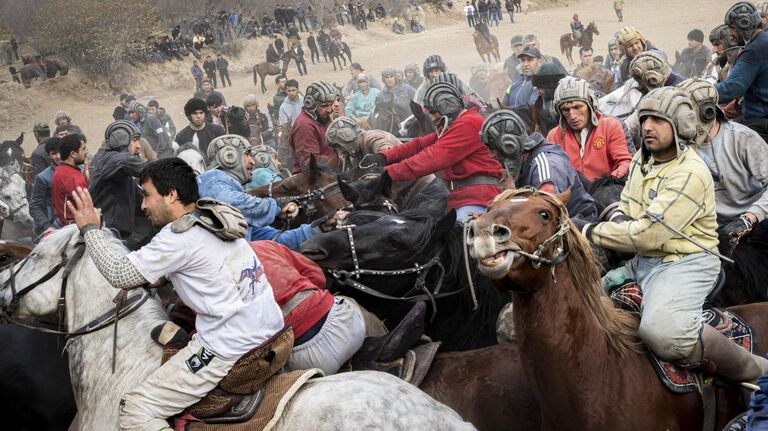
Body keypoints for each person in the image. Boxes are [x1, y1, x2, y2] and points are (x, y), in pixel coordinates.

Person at [64, 158, 285, 431]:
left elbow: (119, 273)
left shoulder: (178, 237)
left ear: (171, 195)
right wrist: (154, 280)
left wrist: (90, 230)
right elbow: (204, 263)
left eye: (147, 195)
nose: (142, 205)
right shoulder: (213, 217)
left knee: (136, 409)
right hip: (271, 329)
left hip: (231, 347)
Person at [581, 86, 768, 384]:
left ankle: (756, 370)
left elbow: (649, 235)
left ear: (680, 125)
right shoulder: (644, 161)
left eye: (657, 120)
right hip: (644, 261)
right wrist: (618, 219)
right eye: (644, 119)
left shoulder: (690, 171)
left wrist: (589, 230)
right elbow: (629, 205)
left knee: (663, 332)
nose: (647, 127)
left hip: (685, 262)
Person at [360, 82, 503, 221]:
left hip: (479, 197)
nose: (432, 118)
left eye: (434, 112)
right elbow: (419, 144)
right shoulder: (456, 125)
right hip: (463, 196)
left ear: (449, 105)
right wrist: (383, 157)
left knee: (455, 236)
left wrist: (385, 174)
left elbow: (430, 158)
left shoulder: (469, 123)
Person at [197, 134, 328, 250]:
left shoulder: (239, 205)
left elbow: (274, 240)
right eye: (248, 154)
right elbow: (233, 204)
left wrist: (318, 228)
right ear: (229, 156)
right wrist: (278, 206)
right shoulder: (211, 178)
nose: (253, 161)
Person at [678, 78, 768, 240]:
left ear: (708, 111)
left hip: (753, 223)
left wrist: (750, 217)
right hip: (711, 228)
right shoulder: (681, 145)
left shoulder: (743, 138)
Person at [479, 110, 597, 220]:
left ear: (509, 146)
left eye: (492, 149)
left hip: (577, 228)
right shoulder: (528, 162)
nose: (491, 155)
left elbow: (544, 211)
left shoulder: (545, 166)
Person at [546, 77, 632, 182]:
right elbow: (551, 172)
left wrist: (609, 183)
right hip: (572, 194)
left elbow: (626, 162)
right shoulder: (554, 136)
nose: (572, 116)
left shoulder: (611, 126)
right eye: (565, 110)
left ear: (590, 105)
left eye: (577, 107)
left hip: (609, 189)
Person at [88, 121, 148, 243]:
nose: (138, 146)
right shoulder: (110, 160)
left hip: (118, 235)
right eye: (135, 140)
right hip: (105, 237)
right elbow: (126, 161)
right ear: (121, 139)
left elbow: (140, 203)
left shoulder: (123, 174)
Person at [716, 2, 768, 132]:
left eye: (732, 28)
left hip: (760, 124)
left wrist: (701, 92)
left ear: (744, 25)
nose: (730, 33)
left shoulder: (755, 49)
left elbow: (732, 88)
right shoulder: (763, 42)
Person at [290, 80, 338, 172]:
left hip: (329, 173)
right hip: (312, 180)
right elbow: (308, 162)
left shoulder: (323, 118)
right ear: (310, 104)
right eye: (324, 106)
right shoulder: (304, 126)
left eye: (331, 105)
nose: (329, 110)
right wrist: (338, 158)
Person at [325, 116, 401, 171]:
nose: (340, 151)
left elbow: (388, 154)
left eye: (339, 146)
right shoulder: (356, 155)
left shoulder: (371, 138)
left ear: (347, 137)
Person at [51, 133, 88, 227]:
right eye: (83, 149)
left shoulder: (60, 170)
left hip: (64, 223)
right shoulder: (72, 176)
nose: (86, 151)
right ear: (73, 154)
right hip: (75, 227)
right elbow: (87, 205)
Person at [174, 98, 226, 162]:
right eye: (195, 113)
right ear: (189, 116)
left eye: (201, 113)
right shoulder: (181, 137)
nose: (198, 116)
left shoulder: (217, 131)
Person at [29, 138, 61, 237]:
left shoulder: (78, 172)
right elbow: (34, 206)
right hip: (52, 228)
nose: (58, 156)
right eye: (54, 153)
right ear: (49, 156)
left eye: (60, 152)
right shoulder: (42, 178)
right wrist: (47, 226)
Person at [503, 46, 542, 111]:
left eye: (530, 60)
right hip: (511, 118)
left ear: (539, 62)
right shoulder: (515, 82)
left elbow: (531, 107)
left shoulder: (541, 82)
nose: (525, 64)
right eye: (523, 60)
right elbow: (503, 105)